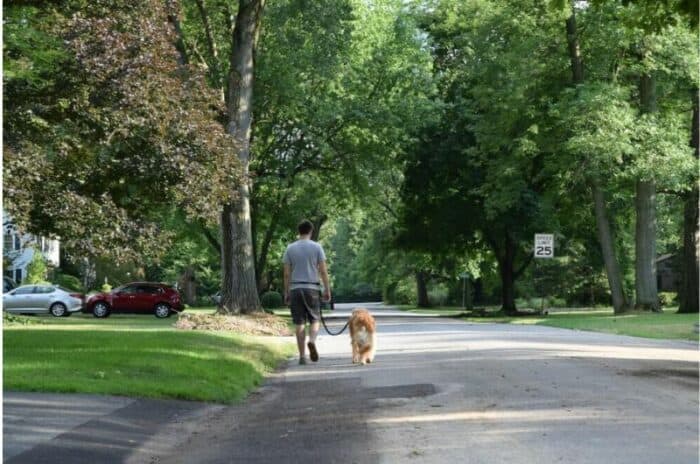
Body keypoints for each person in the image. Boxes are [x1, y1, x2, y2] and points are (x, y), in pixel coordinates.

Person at [283, 219, 332, 365]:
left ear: (299, 232)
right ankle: (312, 340)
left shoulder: (290, 248)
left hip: (296, 289)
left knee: (299, 323)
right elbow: (323, 271)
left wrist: (286, 292)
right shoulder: (317, 247)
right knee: (315, 319)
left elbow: (286, 273)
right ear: (311, 231)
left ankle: (302, 356)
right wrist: (327, 289)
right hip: (312, 288)